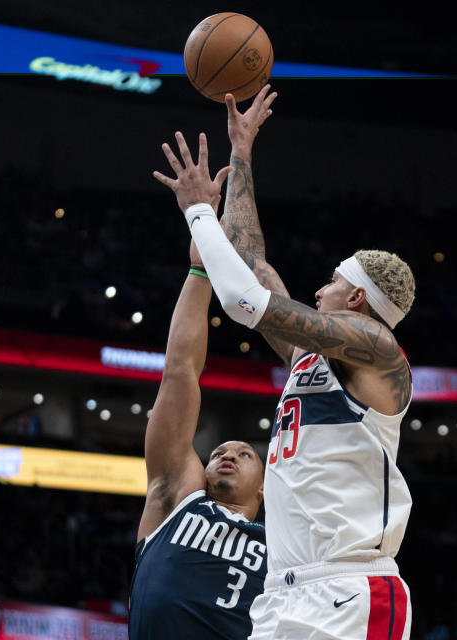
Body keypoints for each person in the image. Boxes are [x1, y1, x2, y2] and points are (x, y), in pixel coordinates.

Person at [153, 88, 415, 639]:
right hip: (282, 592)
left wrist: (198, 211)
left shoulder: (376, 349)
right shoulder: (311, 358)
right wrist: (241, 151)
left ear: (358, 299)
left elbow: (245, 300)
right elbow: (251, 264)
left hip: (351, 590)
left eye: (332, 282)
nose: (319, 292)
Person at [128, 167, 269, 637]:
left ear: (266, 490)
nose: (227, 453)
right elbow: (180, 372)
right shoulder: (175, 497)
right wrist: (200, 267)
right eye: (219, 453)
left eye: (244, 453)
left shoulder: (285, 548)